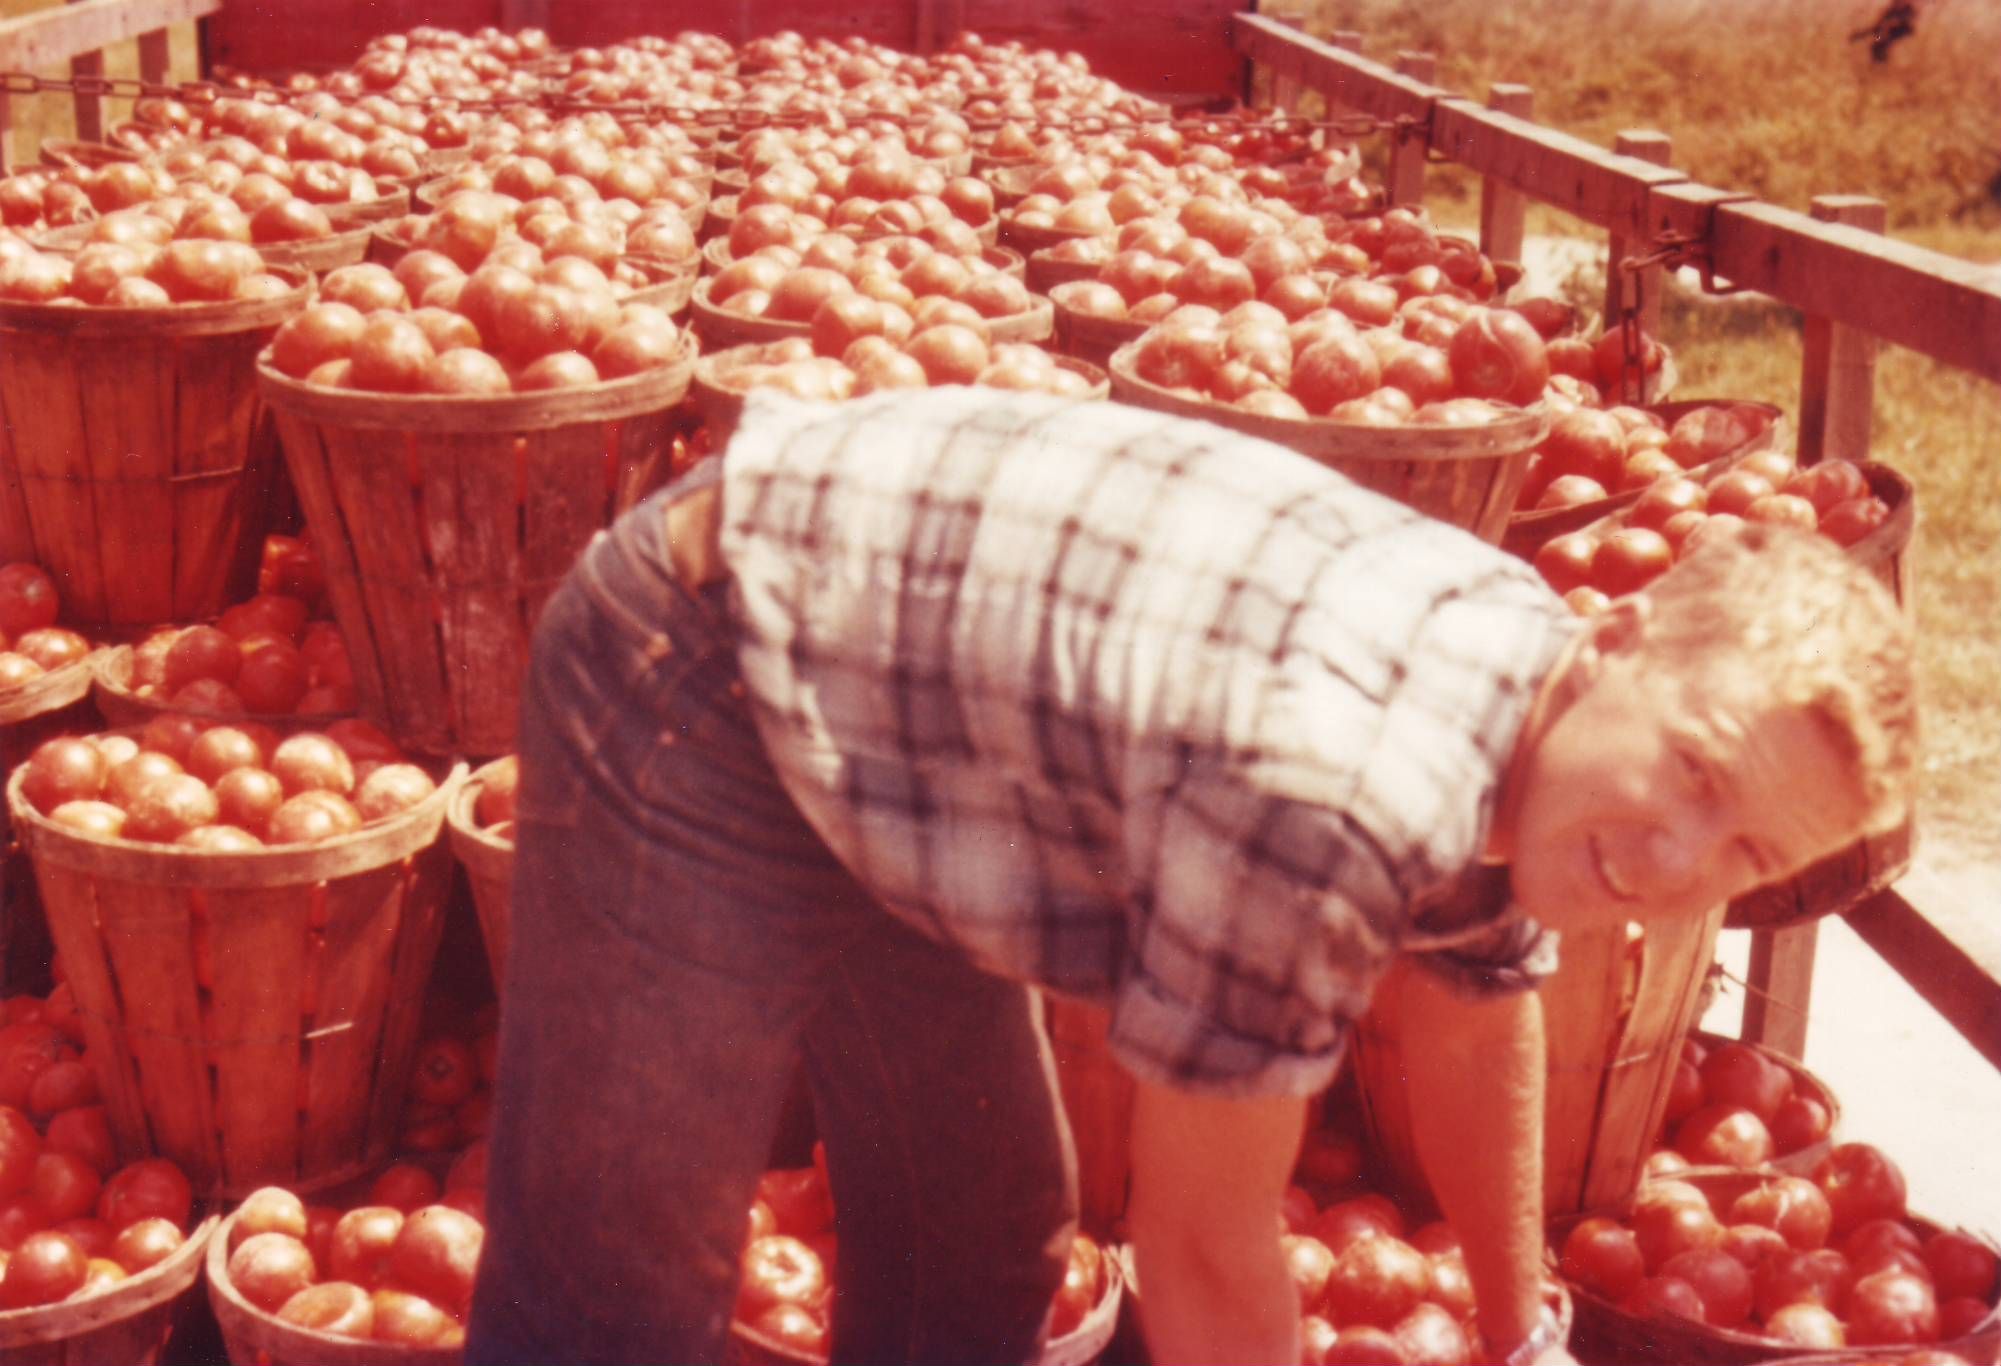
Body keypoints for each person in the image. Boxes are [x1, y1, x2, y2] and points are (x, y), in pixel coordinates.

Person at [464, 387, 1914, 1366]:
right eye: (1698, 773)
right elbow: (1207, 1250)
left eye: (1742, 855)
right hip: (709, 652)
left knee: (979, 1226)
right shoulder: (1331, 793)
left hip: (913, 720)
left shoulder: (1541, 712)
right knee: (623, 1273)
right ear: (1606, 645)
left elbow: (1479, 1009)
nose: (1672, 858)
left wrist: (1516, 1330)